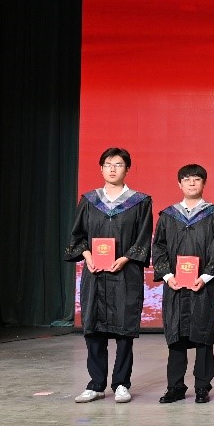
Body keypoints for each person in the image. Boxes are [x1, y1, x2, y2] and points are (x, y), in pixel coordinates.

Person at [64, 147, 153, 403]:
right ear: (101, 168)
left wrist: (125, 258)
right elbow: (78, 237)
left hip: (126, 274)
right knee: (94, 329)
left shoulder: (140, 201)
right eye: (108, 164)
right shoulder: (90, 200)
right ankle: (96, 384)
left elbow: (143, 238)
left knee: (124, 330)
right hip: (96, 274)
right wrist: (88, 256)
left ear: (127, 169)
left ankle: (122, 383)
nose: (113, 169)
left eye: (118, 164)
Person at [151, 163, 214, 404]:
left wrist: (205, 277)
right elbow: (158, 248)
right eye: (187, 179)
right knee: (176, 336)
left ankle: (202, 387)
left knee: (203, 336)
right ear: (179, 184)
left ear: (204, 183)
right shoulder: (168, 216)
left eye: (196, 179)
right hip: (174, 285)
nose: (191, 183)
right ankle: (175, 387)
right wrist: (167, 276)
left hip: (203, 285)